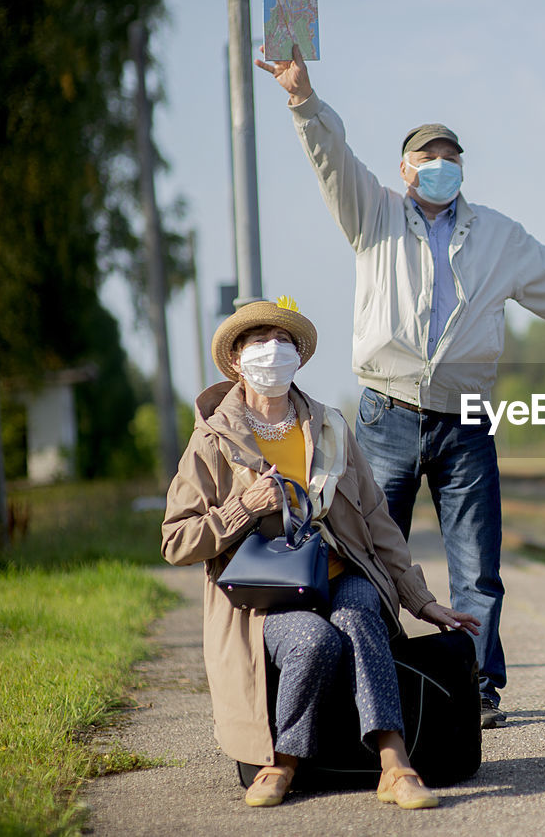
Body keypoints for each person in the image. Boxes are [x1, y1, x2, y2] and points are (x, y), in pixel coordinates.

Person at [254, 46, 545, 728]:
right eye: (426, 156)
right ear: (404, 169)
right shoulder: (374, 215)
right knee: (368, 554)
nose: (439, 165)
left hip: (466, 418)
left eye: (450, 156)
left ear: (461, 168)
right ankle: (379, 673)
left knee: (476, 565)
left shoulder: (498, 236)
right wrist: (304, 101)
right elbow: (332, 160)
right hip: (387, 414)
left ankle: (476, 687)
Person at [161, 298, 480, 808]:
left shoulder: (331, 427)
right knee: (313, 641)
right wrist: (242, 508)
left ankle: (394, 764)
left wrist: (421, 600)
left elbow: (378, 523)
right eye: (259, 342)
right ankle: (283, 762)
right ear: (237, 360)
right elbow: (176, 540)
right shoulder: (212, 441)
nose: (274, 351)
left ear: (299, 358)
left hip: (341, 572)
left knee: (358, 615)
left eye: (284, 341)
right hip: (268, 594)